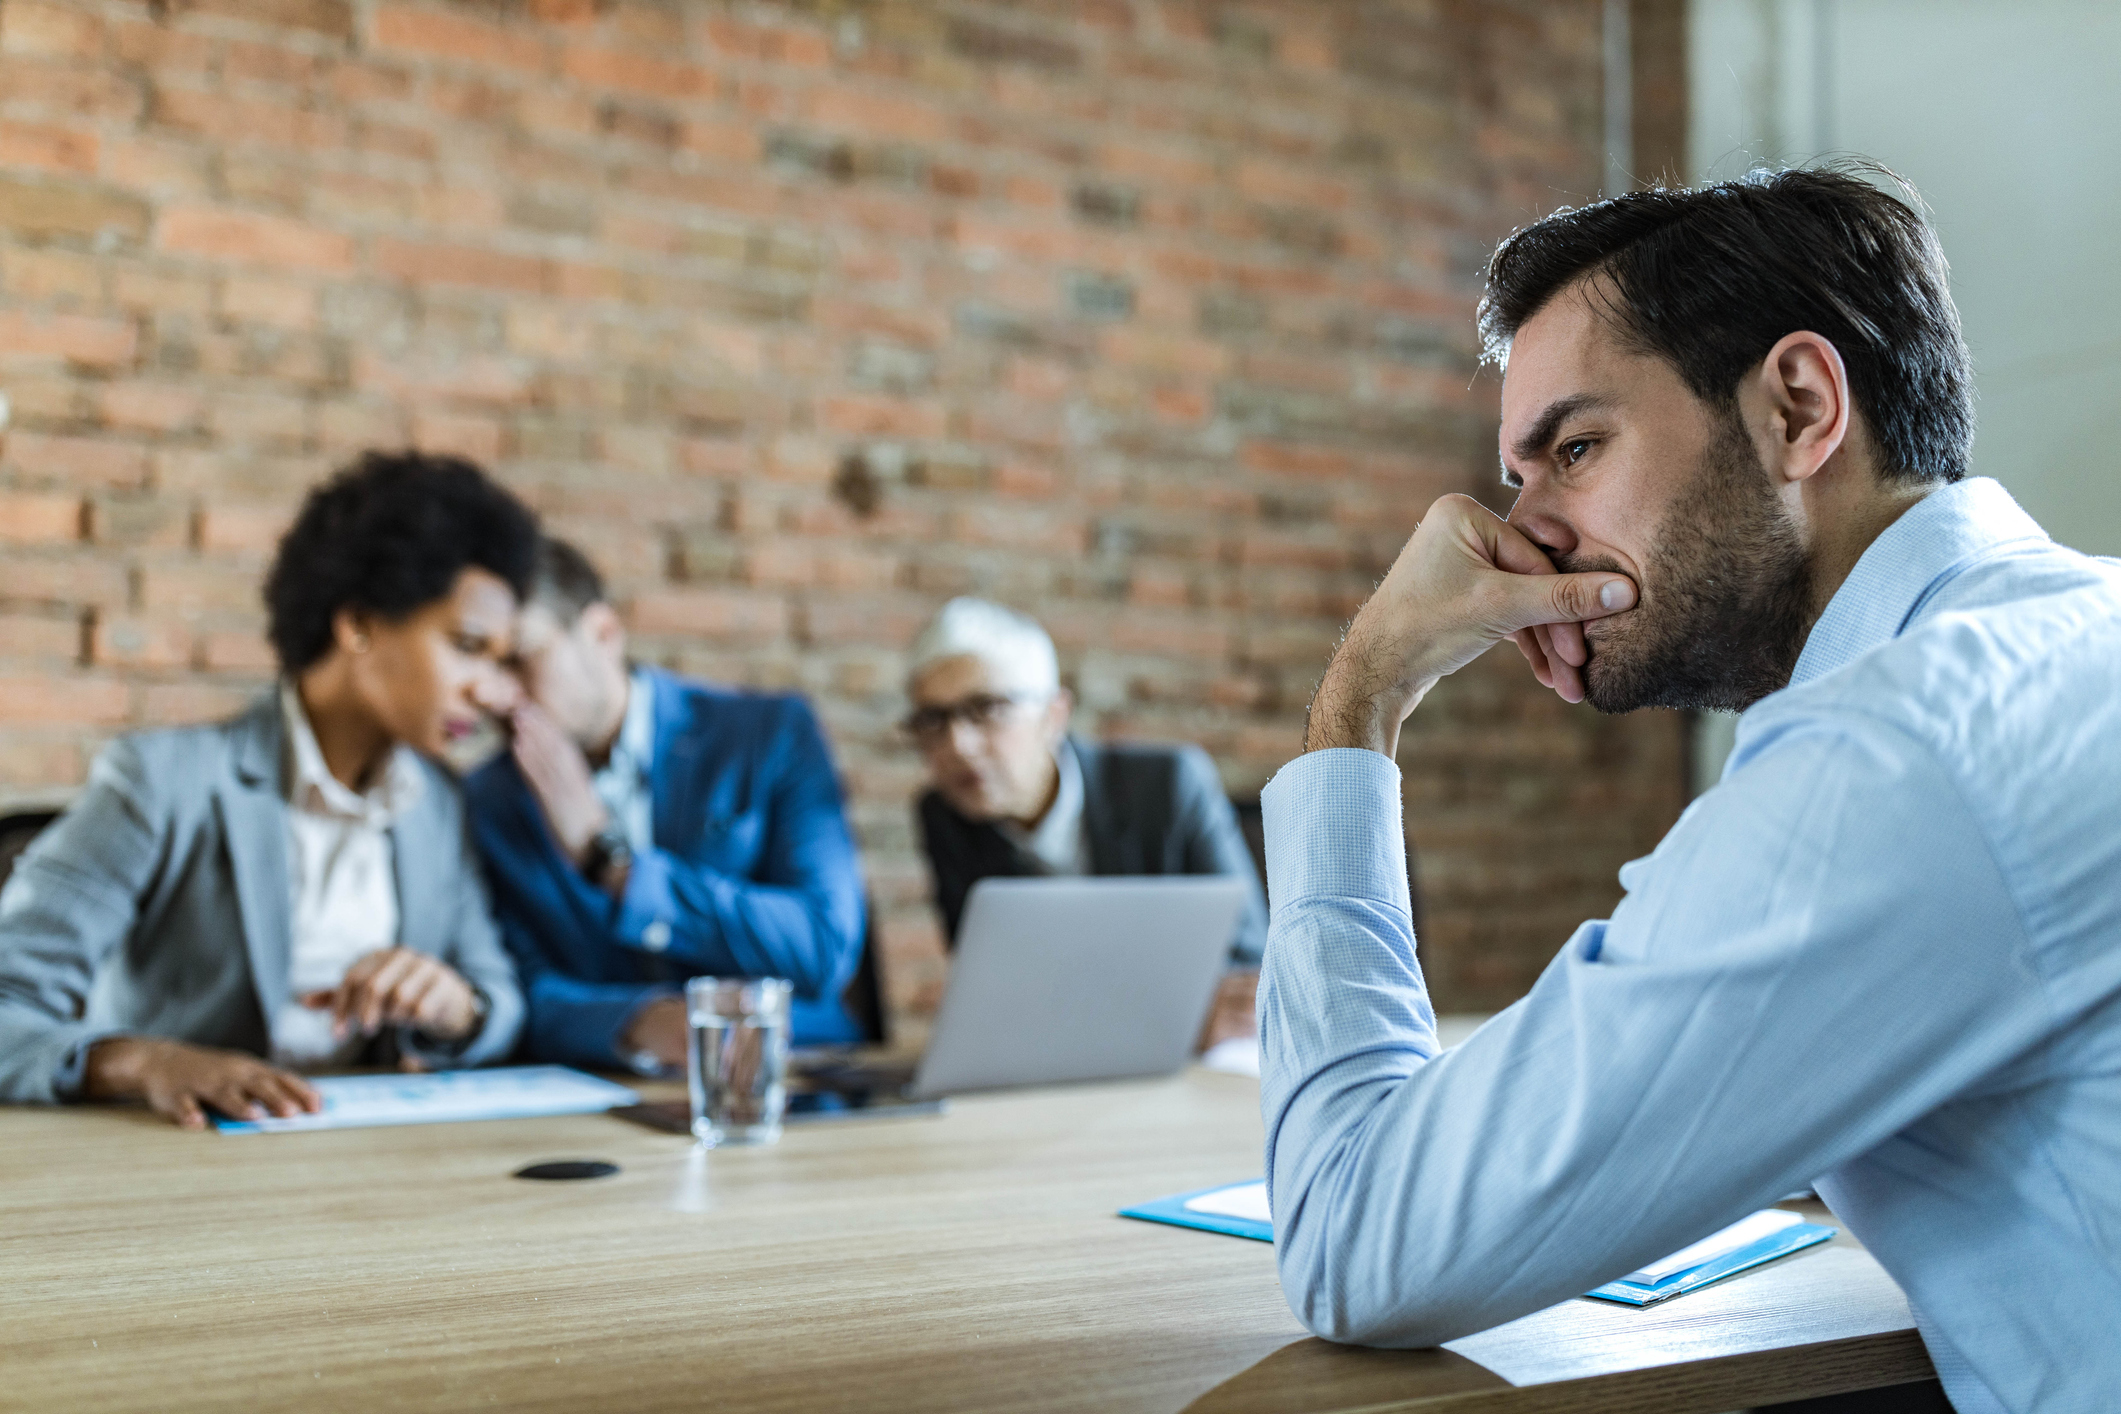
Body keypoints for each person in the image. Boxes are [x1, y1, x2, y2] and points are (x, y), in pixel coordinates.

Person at [1258, 165, 2121, 1414]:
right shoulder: (2072, 634)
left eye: (1575, 448)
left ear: (1799, 407)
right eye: (1520, 475)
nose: (1526, 528)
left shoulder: (1892, 758)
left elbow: (1351, 1235)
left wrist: (1364, 694)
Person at [0, 451, 535, 1127]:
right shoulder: (165, 782)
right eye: (466, 645)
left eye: (501, 660)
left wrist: (457, 1008)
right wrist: (148, 1063)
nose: (490, 691)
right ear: (359, 624)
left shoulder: (436, 803)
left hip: (364, 1170)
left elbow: (500, 1003)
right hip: (173, 1164)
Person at [464, 538, 866, 1073]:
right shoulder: (487, 798)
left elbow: (821, 948)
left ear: (603, 633)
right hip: (605, 1098)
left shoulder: (769, 735)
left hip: (799, 1079)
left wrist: (611, 861)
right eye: (484, 666)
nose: (494, 694)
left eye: (518, 660)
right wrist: (635, 1021)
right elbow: (520, 991)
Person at [907, 598, 1267, 1047]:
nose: (958, 744)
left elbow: (1249, 969)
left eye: (987, 709)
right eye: (932, 720)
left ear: (1054, 715)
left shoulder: (1170, 785)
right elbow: (991, 998)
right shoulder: (945, 817)